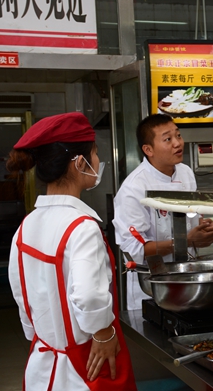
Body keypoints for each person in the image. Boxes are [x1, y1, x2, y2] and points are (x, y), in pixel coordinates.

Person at [6, 112, 136, 390]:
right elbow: (88, 295)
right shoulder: (82, 227)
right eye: (95, 154)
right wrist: (103, 332)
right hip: (85, 367)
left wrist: (38, 333)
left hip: (43, 362)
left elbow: (20, 290)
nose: (98, 162)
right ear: (79, 163)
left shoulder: (27, 225)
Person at [113, 113, 213, 310]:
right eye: (168, 139)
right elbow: (135, 250)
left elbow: (192, 218)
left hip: (189, 278)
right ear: (148, 150)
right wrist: (185, 241)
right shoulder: (133, 188)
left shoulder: (186, 172)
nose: (177, 143)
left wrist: (204, 228)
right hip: (152, 288)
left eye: (178, 135)